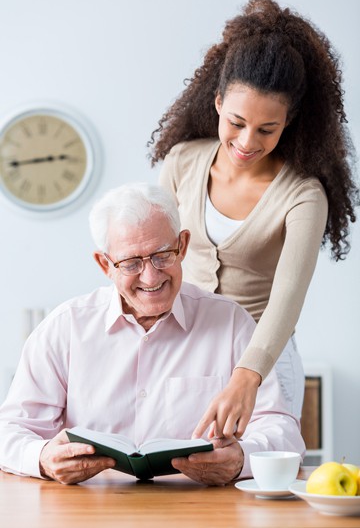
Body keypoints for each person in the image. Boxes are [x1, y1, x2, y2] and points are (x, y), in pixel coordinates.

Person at [148, 0, 358, 440]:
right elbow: (153, 258)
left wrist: (248, 377)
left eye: (267, 129)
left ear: (290, 122)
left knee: (256, 487)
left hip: (263, 360)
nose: (246, 141)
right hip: (182, 353)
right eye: (238, 122)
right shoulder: (183, 162)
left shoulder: (303, 195)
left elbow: (288, 297)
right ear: (219, 102)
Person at [0, 183, 304, 486]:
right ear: (105, 264)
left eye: (162, 255)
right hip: (90, 510)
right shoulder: (65, 327)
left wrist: (242, 459)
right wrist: (41, 457)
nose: (151, 276)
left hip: (201, 510)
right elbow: (10, 431)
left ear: (182, 246)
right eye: (131, 263)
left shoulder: (232, 323)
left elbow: (283, 432)